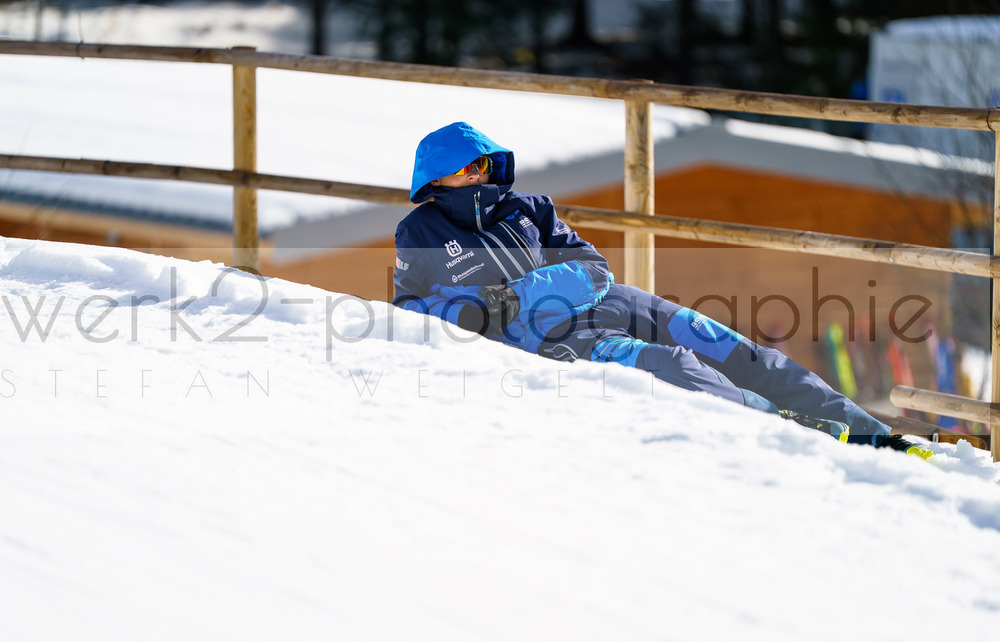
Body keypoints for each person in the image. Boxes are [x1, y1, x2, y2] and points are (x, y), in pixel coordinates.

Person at [392, 121, 931, 458]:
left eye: (485, 163)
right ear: (437, 180)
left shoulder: (529, 208)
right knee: (673, 365)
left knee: (731, 347)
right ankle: (792, 429)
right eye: (468, 167)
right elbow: (408, 311)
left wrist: (516, 294)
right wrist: (480, 309)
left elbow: (592, 267)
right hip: (550, 340)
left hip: (608, 301)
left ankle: (867, 430)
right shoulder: (419, 234)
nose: (481, 174)